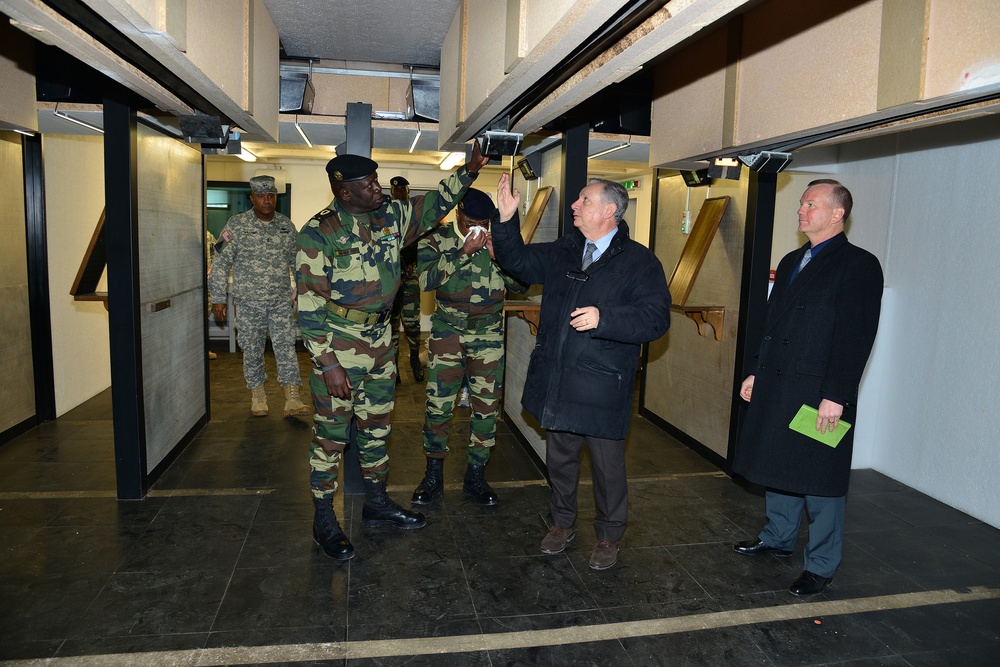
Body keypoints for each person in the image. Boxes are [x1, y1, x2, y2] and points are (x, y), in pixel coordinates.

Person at [296, 143, 488, 561]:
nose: (378, 187)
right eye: (369, 184)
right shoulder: (319, 232)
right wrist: (327, 363)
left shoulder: (391, 217)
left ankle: (376, 504)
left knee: (377, 429)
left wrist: (469, 170)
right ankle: (323, 518)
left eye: (376, 179)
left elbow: (437, 203)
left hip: (383, 344)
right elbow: (308, 306)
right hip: (340, 345)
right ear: (344, 191)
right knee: (330, 437)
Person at [490, 173, 671, 570]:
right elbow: (517, 262)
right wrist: (505, 222)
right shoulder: (565, 250)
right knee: (560, 459)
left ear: (610, 211)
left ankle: (609, 535)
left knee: (607, 467)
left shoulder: (639, 262)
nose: (575, 205)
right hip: (558, 379)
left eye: (584, 200)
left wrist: (605, 318)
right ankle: (562, 523)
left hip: (602, 385)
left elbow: (656, 318)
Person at [732, 179, 883, 596]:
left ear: (838, 214)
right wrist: (755, 371)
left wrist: (836, 394)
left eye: (811, 204)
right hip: (779, 385)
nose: (801, 210)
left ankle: (821, 564)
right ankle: (778, 536)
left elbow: (855, 337)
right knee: (776, 465)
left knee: (821, 482)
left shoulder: (859, 265)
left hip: (820, 393)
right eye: (801, 203)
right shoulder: (793, 258)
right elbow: (770, 325)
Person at [411, 188, 527, 507]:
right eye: (473, 221)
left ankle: (476, 475)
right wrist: (462, 252)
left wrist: (499, 257)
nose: (479, 228)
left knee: (486, 406)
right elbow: (425, 281)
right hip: (447, 331)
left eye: (485, 222)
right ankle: (433, 474)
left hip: (488, 334)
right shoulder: (435, 238)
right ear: (459, 214)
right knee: (439, 405)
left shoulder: (498, 238)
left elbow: (522, 283)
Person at [208, 175, 310, 417]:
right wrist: (218, 298)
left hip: (280, 301)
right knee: (252, 348)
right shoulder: (236, 225)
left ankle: (292, 397)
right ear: (252, 198)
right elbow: (221, 262)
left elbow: (297, 262)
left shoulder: (286, 226)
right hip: (248, 302)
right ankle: (258, 396)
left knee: (286, 346)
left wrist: (301, 288)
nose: (267, 200)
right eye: (261, 196)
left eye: (271, 196)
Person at [387, 176, 425, 383]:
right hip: (392, 277)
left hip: (410, 275)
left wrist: (415, 261)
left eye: (402, 189)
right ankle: (394, 369)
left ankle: (414, 359)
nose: (399, 192)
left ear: (407, 190)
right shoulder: (386, 213)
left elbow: (423, 238)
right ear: (391, 192)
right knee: (391, 324)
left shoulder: (414, 212)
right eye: (396, 190)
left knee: (411, 322)